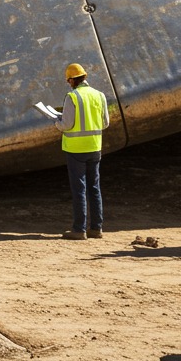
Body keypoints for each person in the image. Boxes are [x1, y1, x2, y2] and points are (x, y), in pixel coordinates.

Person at [55, 62, 110, 240]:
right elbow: (105, 123)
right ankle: (96, 228)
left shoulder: (72, 96)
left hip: (76, 150)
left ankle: (79, 229)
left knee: (79, 189)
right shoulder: (99, 95)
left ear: (71, 80)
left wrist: (56, 121)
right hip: (94, 147)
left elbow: (67, 125)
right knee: (94, 188)